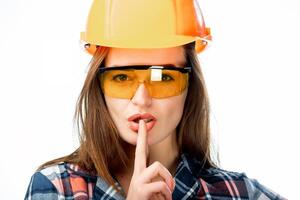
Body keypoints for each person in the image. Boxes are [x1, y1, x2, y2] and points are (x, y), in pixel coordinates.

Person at [25, 0, 286, 199]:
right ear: (99, 87)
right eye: (122, 78)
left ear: (190, 86)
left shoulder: (236, 193)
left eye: (163, 78)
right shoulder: (58, 188)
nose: (141, 99)